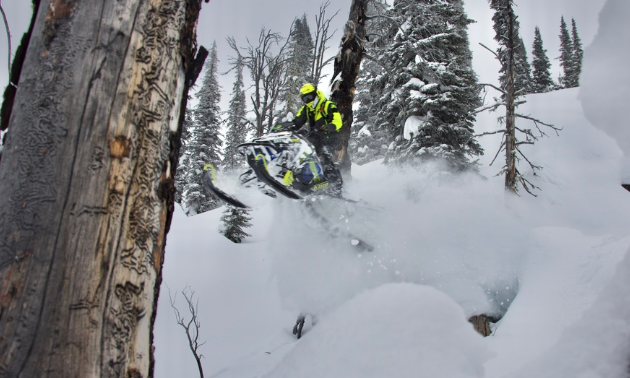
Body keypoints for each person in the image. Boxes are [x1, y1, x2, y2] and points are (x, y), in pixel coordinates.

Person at [290, 83, 343, 194]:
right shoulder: (307, 109)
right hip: (314, 138)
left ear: (316, 94)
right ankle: (305, 178)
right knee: (304, 154)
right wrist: (284, 126)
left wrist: (330, 126)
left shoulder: (328, 105)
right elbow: (297, 122)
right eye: (305, 99)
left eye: (309, 97)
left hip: (329, 137)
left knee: (323, 154)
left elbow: (338, 121)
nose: (308, 100)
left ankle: (334, 181)